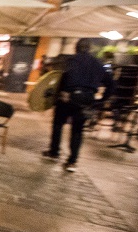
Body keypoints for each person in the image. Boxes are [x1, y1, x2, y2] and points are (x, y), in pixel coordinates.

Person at [43, 38, 114, 172]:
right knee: (77, 130)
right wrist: (100, 101)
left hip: (67, 96)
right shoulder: (99, 64)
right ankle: (72, 162)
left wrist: (55, 95)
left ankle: (54, 152)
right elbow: (111, 85)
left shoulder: (69, 60)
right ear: (89, 49)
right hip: (87, 99)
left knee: (58, 124)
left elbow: (57, 79)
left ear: (76, 47)